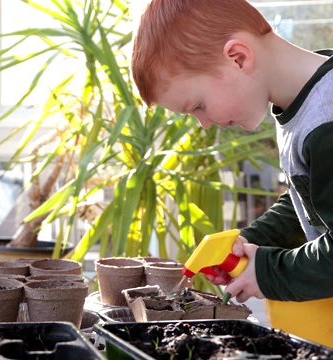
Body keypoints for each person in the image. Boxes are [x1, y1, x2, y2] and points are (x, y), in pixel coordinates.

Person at [131, 0, 333, 306]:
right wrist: (249, 242)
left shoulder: (326, 122)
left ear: (238, 58)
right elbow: (311, 203)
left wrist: (267, 272)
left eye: (198, 106)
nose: (204, 124)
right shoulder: (305, 109)